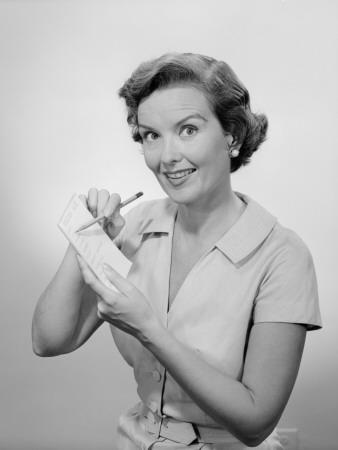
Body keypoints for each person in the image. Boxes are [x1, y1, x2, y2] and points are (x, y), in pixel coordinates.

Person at [32, 53, 322, 450]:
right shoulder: (135, 227)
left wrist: (149, 329)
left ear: (232, 136)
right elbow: (49, 341)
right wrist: (85, 240)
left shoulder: (284, 256)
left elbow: (255, 422)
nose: (166, 156)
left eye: (188, 130)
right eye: (151, 135)